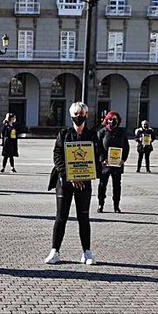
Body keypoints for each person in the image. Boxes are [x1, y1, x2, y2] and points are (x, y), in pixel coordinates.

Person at [46, 101, 102, 265]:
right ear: (71, 116)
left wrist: (87, 174)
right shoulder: (63, 134)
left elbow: (96, 157)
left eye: (82, 113)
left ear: (86, 115)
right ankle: (55, 251)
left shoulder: (92, 135)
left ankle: (87, 252)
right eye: (76, 114)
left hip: (84, 182)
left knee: (83, 217)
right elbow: (57, 157)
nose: (79, 117)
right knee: (61, 217)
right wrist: (71, 176)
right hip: (65, 181)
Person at [97, 111, 130, 213]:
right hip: (105, 164)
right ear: (107, 120)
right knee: (102, 185)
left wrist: (123, 159)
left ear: (118, 120)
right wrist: (103, 159)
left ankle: (116, 206)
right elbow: (98, 147)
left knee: (117, 185)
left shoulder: (121, 132)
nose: (112, 121)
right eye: (110, 119)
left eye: (114, 119)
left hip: (117, 163)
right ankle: (100, 204)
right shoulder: (102, 132)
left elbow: (126, 147)